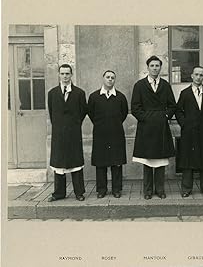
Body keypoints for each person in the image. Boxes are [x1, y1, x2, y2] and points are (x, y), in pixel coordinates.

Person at [131, 55, 176, 200]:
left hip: (161, 127)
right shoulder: (139, 85)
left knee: (160, 161)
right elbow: (135, 108)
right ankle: (148, 191)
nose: (155, 68)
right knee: (148, 161)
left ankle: (160, 190)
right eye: (152, 66)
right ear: (148, 67)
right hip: (146, 128)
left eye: (157, 66)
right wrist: (146, 119)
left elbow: (172, 105)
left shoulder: (165, 85)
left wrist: (165, 116)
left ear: (160, 68)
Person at [48, 64, 87, 202]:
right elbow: (52, 113)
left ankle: (79, 192)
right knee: (59, 163)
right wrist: (60, 127)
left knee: (75, 162)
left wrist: (73, 125)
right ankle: (59, 193)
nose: (65, 76)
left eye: (67, 74)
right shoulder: (52, 93)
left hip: (73, 134)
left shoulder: (79, 93)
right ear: (59, 75)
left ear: (71, 75)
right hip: (58, 134)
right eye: (62, 74)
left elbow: (83, 112)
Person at [88, 70, 128, 198]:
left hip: (116, 133)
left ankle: (116, 189)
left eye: (112, 78)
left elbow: (124, 113)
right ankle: (101, 190)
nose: (110, 79)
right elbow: (91, 114)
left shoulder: (120, 97)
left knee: (116, 162)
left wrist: (114, 124)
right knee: (101, 163)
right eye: (108, 77)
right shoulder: (94, 97)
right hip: (100, 134)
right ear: (103, 78)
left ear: (115, 80)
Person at [175, 66, 203, 198]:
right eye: (196, 74)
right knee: (188, 160)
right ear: (192, 76)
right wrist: (184, 124)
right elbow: (178, 110)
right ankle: (186, 188)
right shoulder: (185, 93)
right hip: (189, 132)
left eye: (201, 75)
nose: (198, 77)